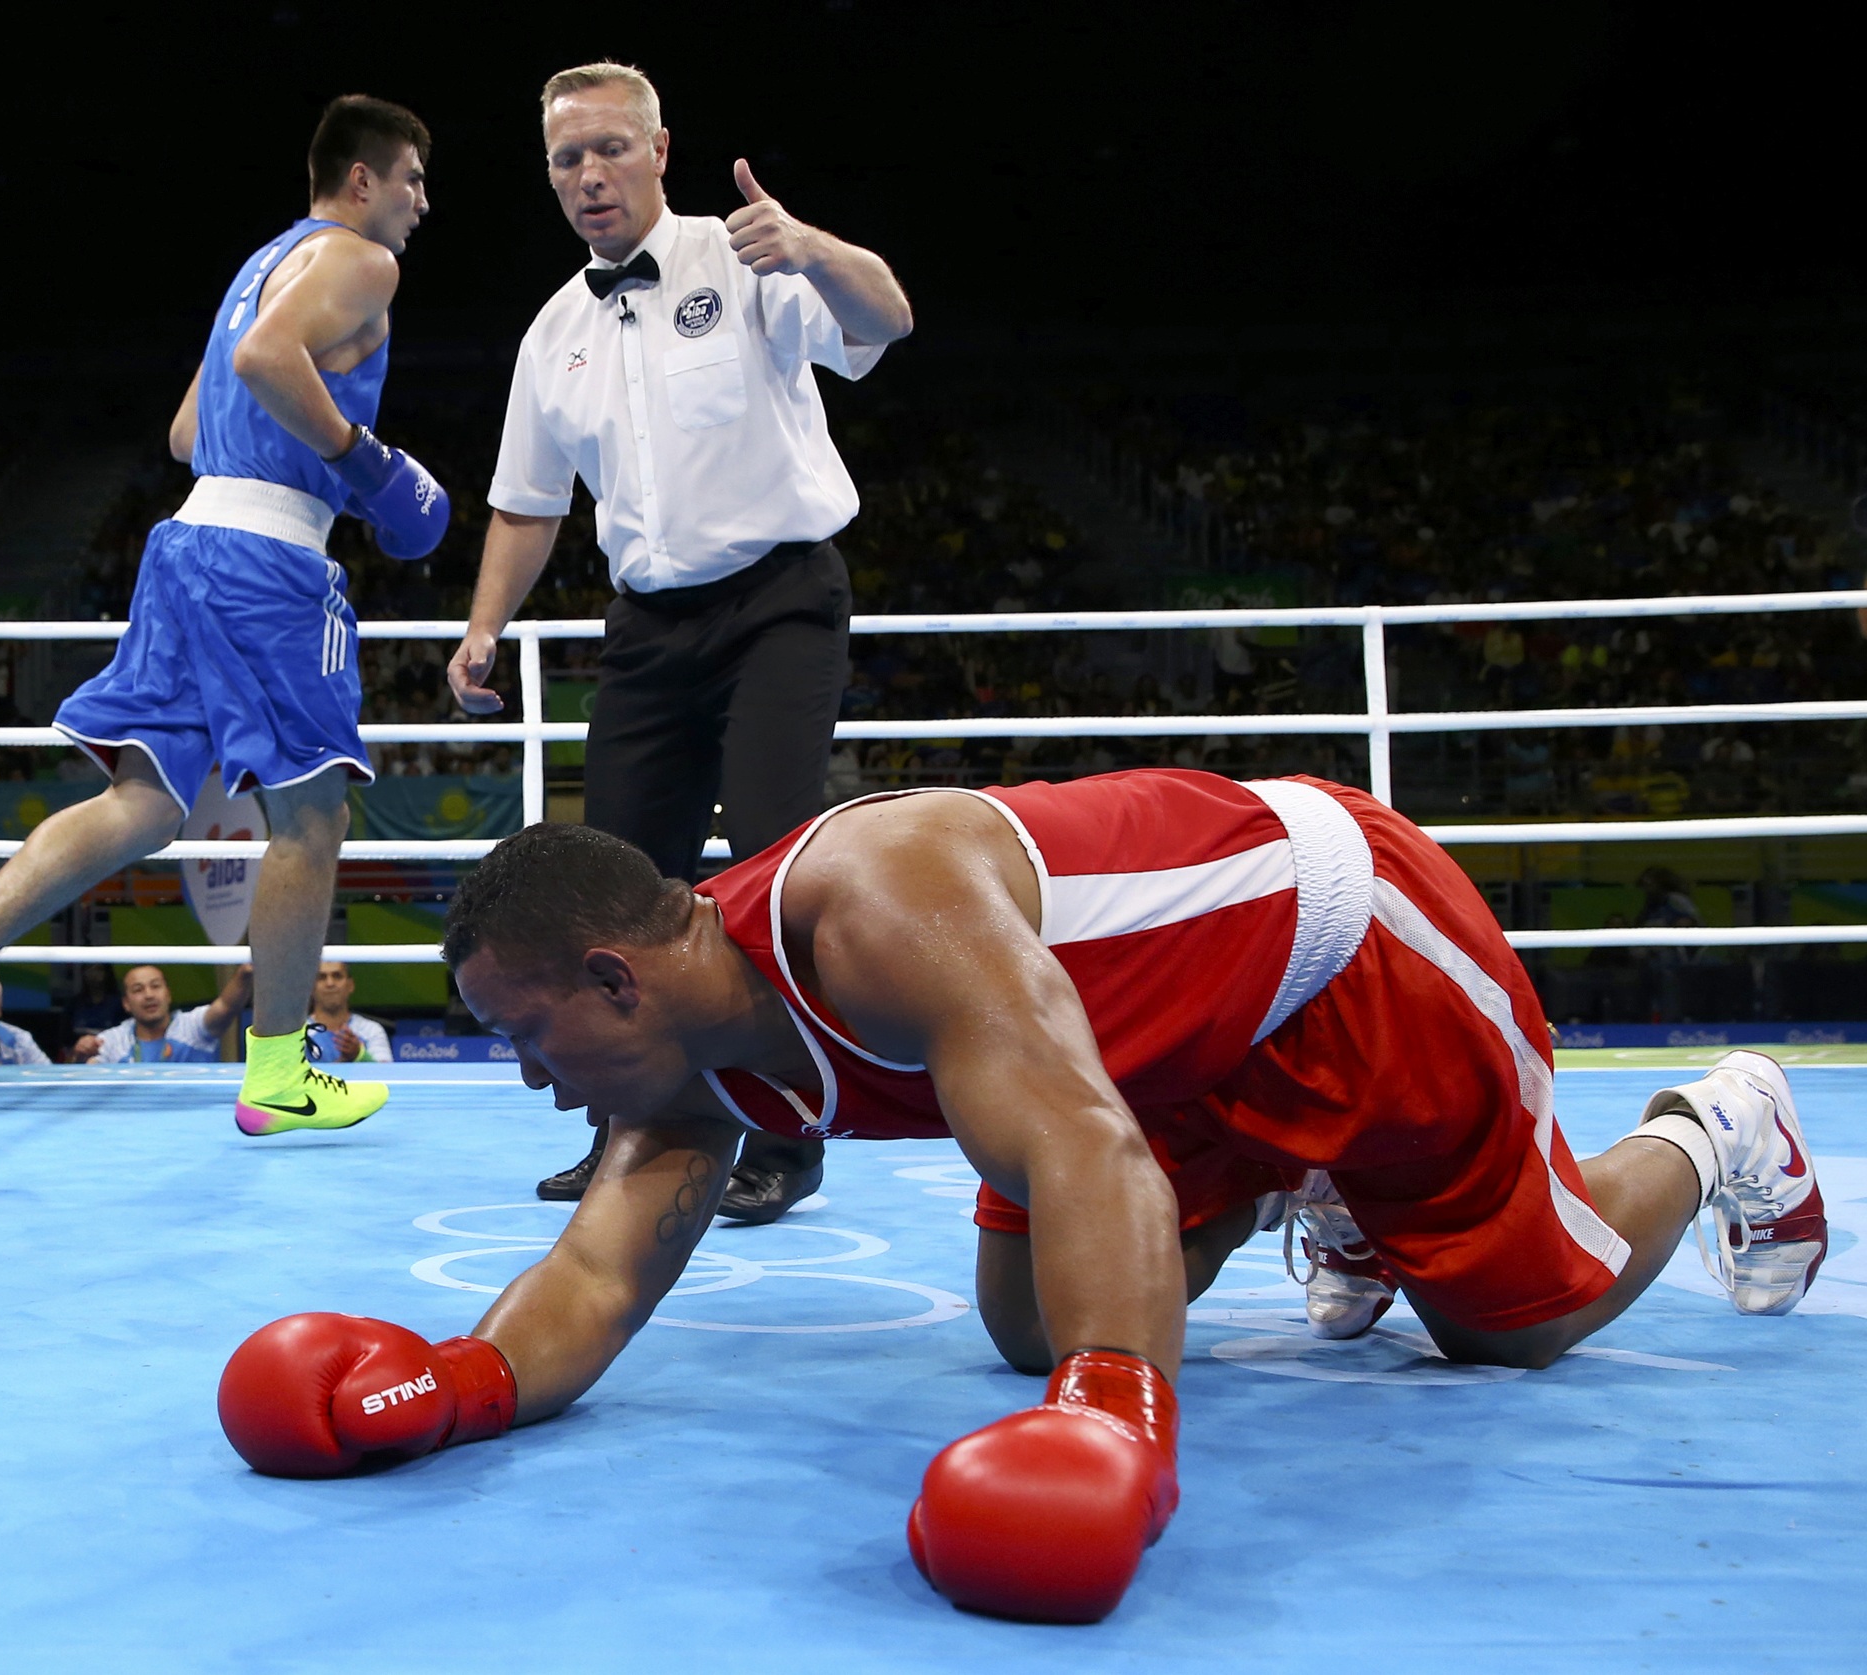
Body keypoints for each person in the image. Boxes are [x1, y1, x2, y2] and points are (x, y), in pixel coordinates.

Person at [215, 770, 1827, 1624]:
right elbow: (597, 1274)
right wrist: (451, 1383)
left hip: (1329, 949)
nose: (525, 1074)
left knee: (1510, 1322)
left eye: (524, 1031)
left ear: (616, 976)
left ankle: (1718, 1120)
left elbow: (1081, 1148)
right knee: (1017, 1328)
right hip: (1142, 1046)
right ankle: (1313, 1183)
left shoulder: (871, 906)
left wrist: (1119, 1419)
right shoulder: (683, 1061)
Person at [0, 96, 448, 1137]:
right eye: (411, 179)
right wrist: (365, 463)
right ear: (362, 179)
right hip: (265, 558)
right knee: (310, 816)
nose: (421, 202)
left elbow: (187, 430)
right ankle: (276, 1074)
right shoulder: (362, 261)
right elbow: (269, 365)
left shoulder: (256, 268)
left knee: (147, 804)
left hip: (186, 544)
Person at [445, 61, 913, 1220]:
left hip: (779, 605)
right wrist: (482, 626)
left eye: (609, 148)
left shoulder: (747, 256)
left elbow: (887, 317)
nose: (589, 175)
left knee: (772, 866)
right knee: (612, 888)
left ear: (659, 150)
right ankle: (633, 1127)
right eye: (566, 158)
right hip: (648, 627)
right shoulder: (553, 330)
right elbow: (526, 502)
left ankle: (788, 1132)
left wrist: (808, 245)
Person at [73, 964, 249, 1065]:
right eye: (138, 989)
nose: (149, 995)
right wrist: (81, 1057)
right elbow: (86, 1072)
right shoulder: (113, 1041)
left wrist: (245, 973)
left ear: (168, 994)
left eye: (155, 986)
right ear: (126, 1004)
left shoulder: (192, 1026)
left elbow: (226, 1006)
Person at [307, 960, 392, 1062]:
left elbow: (385, 1075)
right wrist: (345, 1059)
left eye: (337, 976)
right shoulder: (298, 1033)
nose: (330, 983)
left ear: (350, 985)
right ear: (311, 987)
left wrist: (359, 1054)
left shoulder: (371, 1030)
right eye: (321, 977)